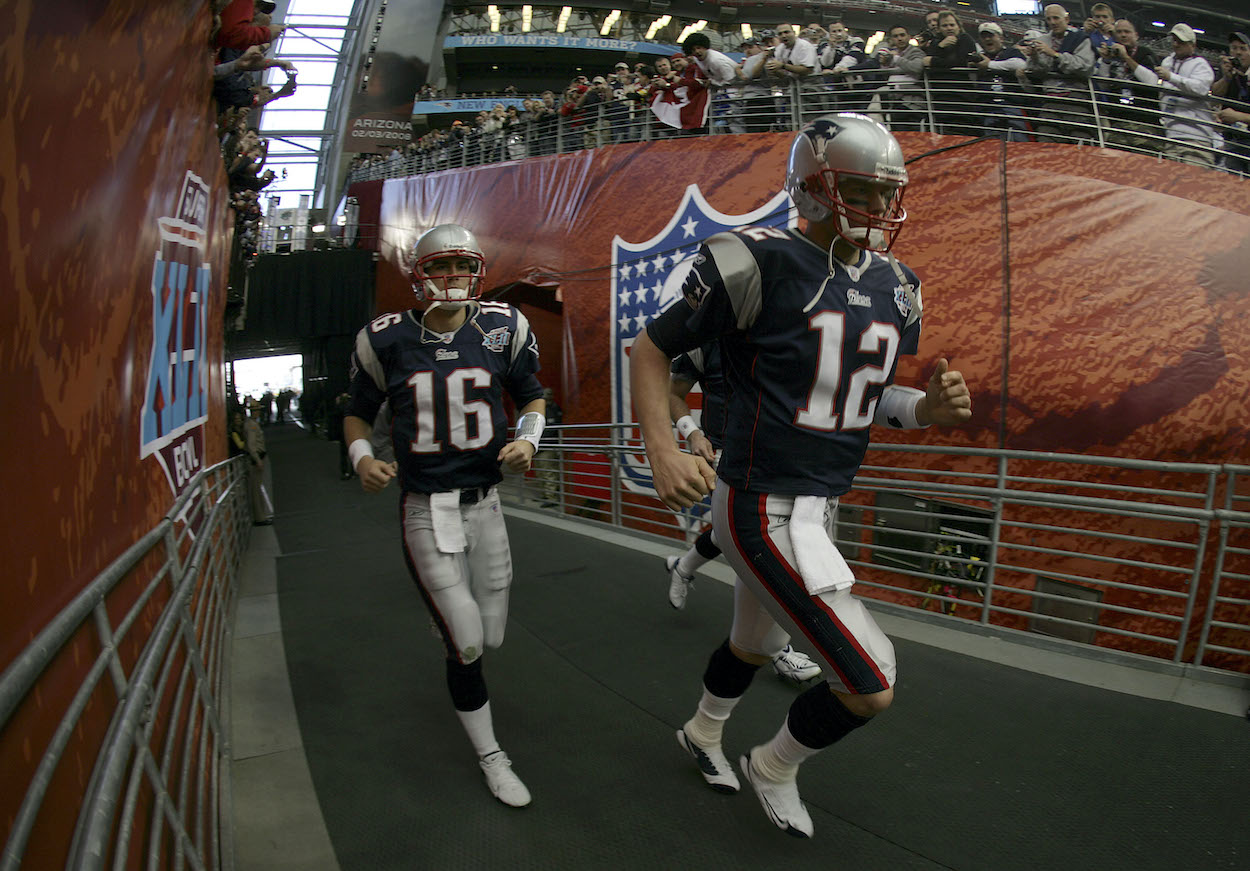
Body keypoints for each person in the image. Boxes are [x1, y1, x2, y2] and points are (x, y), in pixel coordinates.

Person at [630, 114, 972, 838]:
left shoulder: (897, 285)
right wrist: (662, 444)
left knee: (752, 646)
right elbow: (652, 350)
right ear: (813, 187)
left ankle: (700, 731)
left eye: (888, 194)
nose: (878, 210)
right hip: (761, 503)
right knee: (871, 682)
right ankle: (775, 763)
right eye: (859, 190)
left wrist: (927, 410)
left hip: (816, 504)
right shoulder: (756, 261)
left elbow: (861, 394)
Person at [343, 223, 547, 808]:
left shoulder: (502, 327)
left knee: (492, 631)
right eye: (442, 268)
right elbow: (357, 414)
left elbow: (532, 394)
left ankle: (453, 618)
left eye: (463, 266)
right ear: (420, 275)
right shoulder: (385, 339)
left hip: (485, 506)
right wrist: (362, 457)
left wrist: (529, 442)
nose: (454, 278)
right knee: (467, 641)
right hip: (425, 508)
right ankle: (491, 754)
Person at [665, 343, 823, 684]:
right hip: (727, 454)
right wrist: (691, 433)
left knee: (735, 536)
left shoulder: (786, 325)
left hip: (778, 454)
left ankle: (683, 567)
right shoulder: (707, 337)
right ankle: (776, 649)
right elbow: (673, 393)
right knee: (757, 543)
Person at [1157, 24, 1223, 167]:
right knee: (1167, 184)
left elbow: (1200, 88)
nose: (1176, 44)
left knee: (1192, 184)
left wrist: (1171, 77)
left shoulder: (1201, 65)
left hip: (1196, 138)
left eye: (1180, 41)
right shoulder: (1167, 62)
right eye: (1174, 40)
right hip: (1171, 134)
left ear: (1192, 45)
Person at [1212, 31, 1250, 175]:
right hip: (1233, 141)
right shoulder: (1230, 74)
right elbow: (1215, 95)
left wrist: (1238, 116)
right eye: (1234, 48)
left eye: (1243, 48)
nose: (1238, 53)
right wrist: (1226, 78)